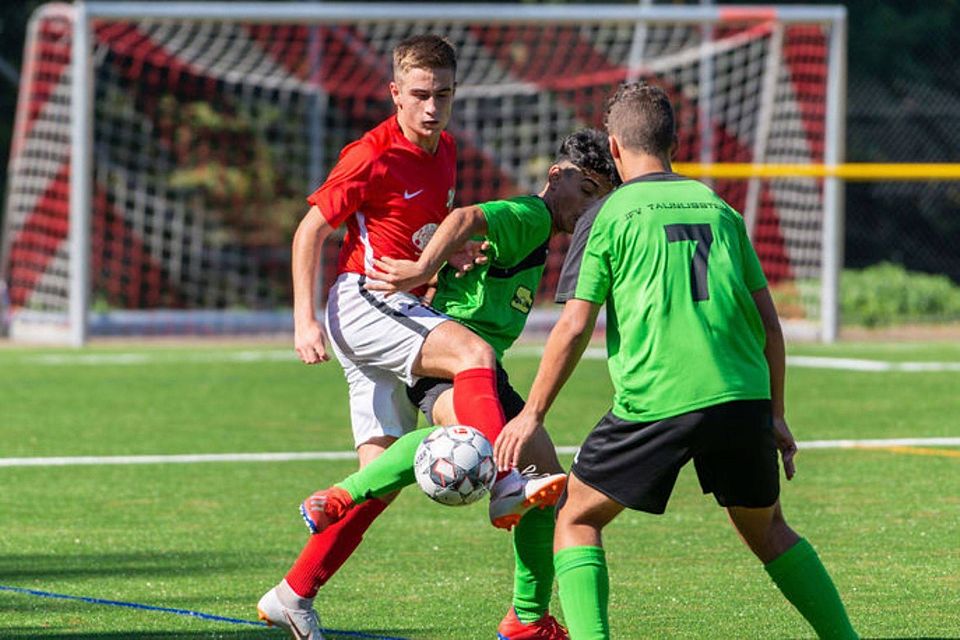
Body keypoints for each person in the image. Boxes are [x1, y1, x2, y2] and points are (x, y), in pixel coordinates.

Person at [495, 83, 859, 640]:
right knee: (768, 531)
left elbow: (573, 325)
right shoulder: (720, 208)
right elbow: (769, 325)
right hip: (742, 396)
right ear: (675, 142)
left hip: (659, 399)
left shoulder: (611, 212)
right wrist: (775, 414)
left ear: (614, 149)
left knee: (574, 517)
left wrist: (532, 414)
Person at [257, 34, 562, 640]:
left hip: (389, 309)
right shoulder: (370, 153)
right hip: (365, 301)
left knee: (378, 482)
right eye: (419, 95)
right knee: (473, 353)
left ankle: (292, 594)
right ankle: (506, 482)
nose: (431, 107)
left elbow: (415, 232)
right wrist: (302, 319)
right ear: (395, 92)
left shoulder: (445, 149)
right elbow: (310, 231)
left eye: (442, 95)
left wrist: (453, 253)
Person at [300, 129, 619, 640]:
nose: (588, 208)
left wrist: (443, 259)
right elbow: (466, 217)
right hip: (445, 363)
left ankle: (527, 619)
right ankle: (343, 493)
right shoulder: (531, 216)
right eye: (586, 191)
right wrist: (424, 267)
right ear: (556, 177)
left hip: (482, 370)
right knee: (471, 450)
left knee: (549, 487)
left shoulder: (543, 235)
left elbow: (460, 236)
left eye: (599, 198)